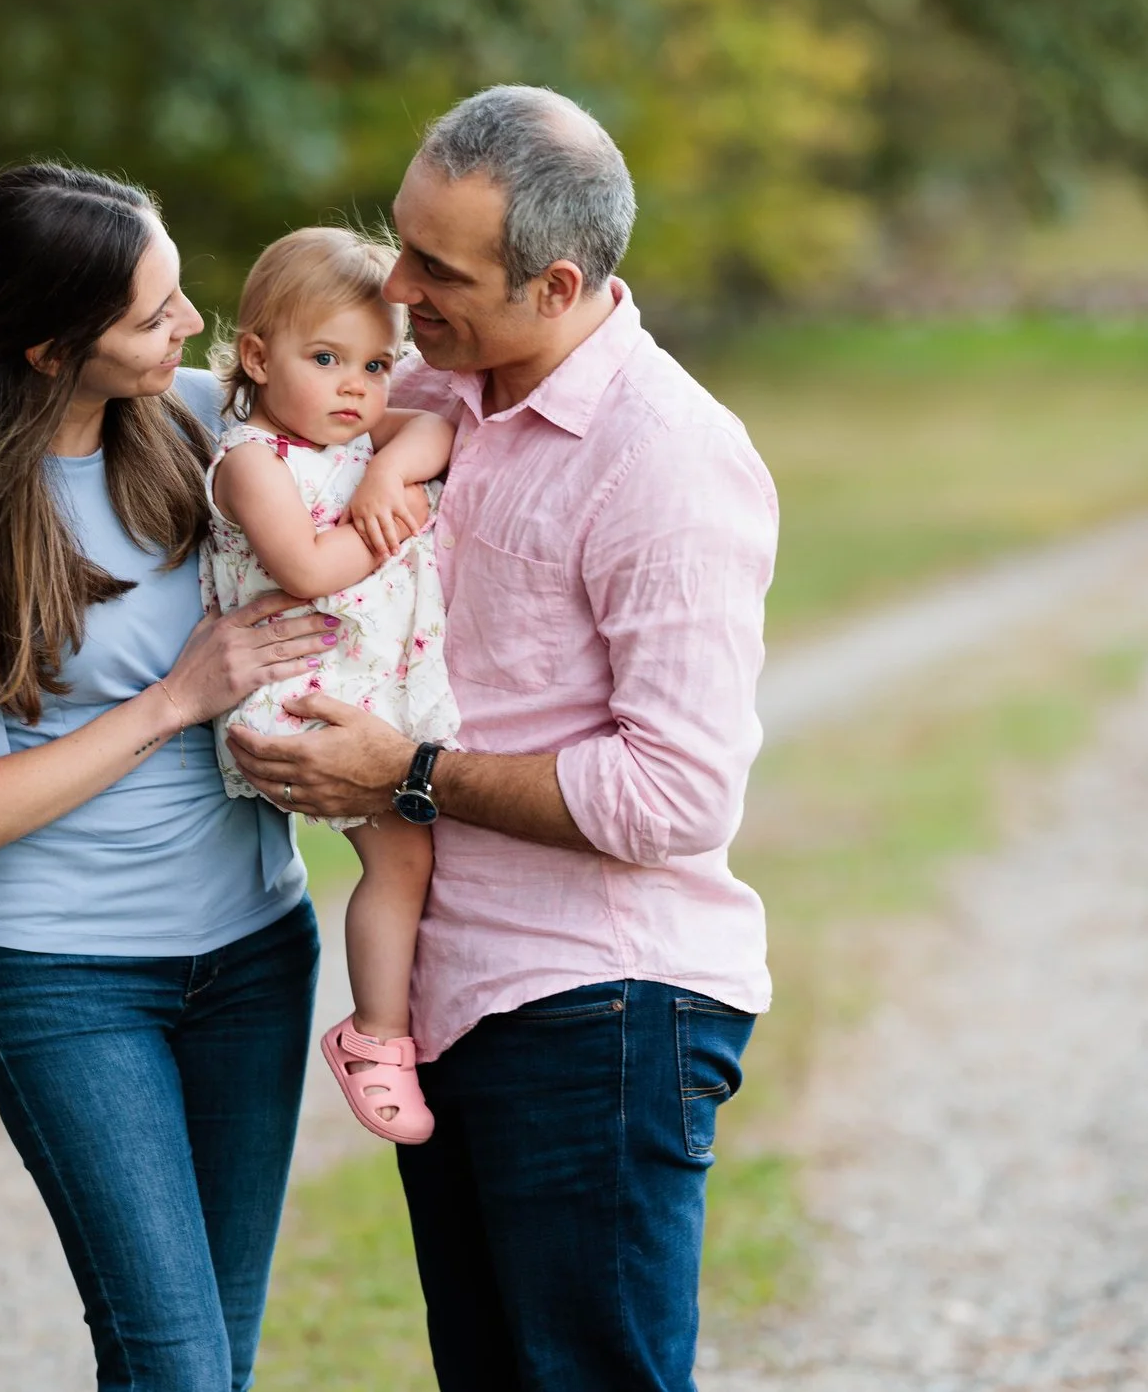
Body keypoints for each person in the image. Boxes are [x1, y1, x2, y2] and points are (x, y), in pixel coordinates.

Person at [227, 86, 779, 1391]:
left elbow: (677, 793)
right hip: (458, 995)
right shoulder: (430, 384)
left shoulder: (669, 460)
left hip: (600, 1003)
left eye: (440, 267)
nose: (400, 288)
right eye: (400, 244)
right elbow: (257, 409)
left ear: (558, 283)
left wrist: (402, 773)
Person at [0, 162, 333, 1392]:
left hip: (256, 955)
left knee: (217, 1359)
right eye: (154, 315)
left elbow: (391, 393)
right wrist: (176, 698)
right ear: (52, 349)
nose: (192, 328)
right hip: (71, 982)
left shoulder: (194, 425)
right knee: (171, 1363)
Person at [200, 226, 461, 1144]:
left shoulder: (356, 431)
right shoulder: (250, 462)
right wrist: (406, 515)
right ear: (257, 356)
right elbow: (307, 569)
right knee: (402, 854)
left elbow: (435, 426)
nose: (358, 387)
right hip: (303, 691)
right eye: (326, 358)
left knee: (418, 853)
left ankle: (397, 1022)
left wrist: (390, 466)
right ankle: (376, 1035)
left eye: (377, 364)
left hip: (364, 673)